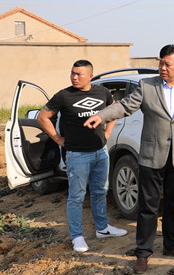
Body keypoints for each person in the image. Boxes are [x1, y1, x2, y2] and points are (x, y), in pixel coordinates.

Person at [84, 44, 174, 274]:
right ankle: (143, 252)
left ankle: (171, 245)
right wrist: (101, 116)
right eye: (160, 63)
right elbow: (125, 106)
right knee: (148, 206)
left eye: (167, 64)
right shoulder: (147, 86)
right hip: (151, 155)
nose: (162, 68)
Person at [37, 60, 127, 253]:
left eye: (79, 74)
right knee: (77, 197)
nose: (74, 77)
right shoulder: (64, 95)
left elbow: (114, 110)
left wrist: (108, 132)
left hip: (100, 152)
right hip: (77, 155)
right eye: (72, 73)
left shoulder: (102, 92)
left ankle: (102, 228)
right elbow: (42, 117)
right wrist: (57, 138)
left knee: (100, 191)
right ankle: (77, 236)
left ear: (90, 76)